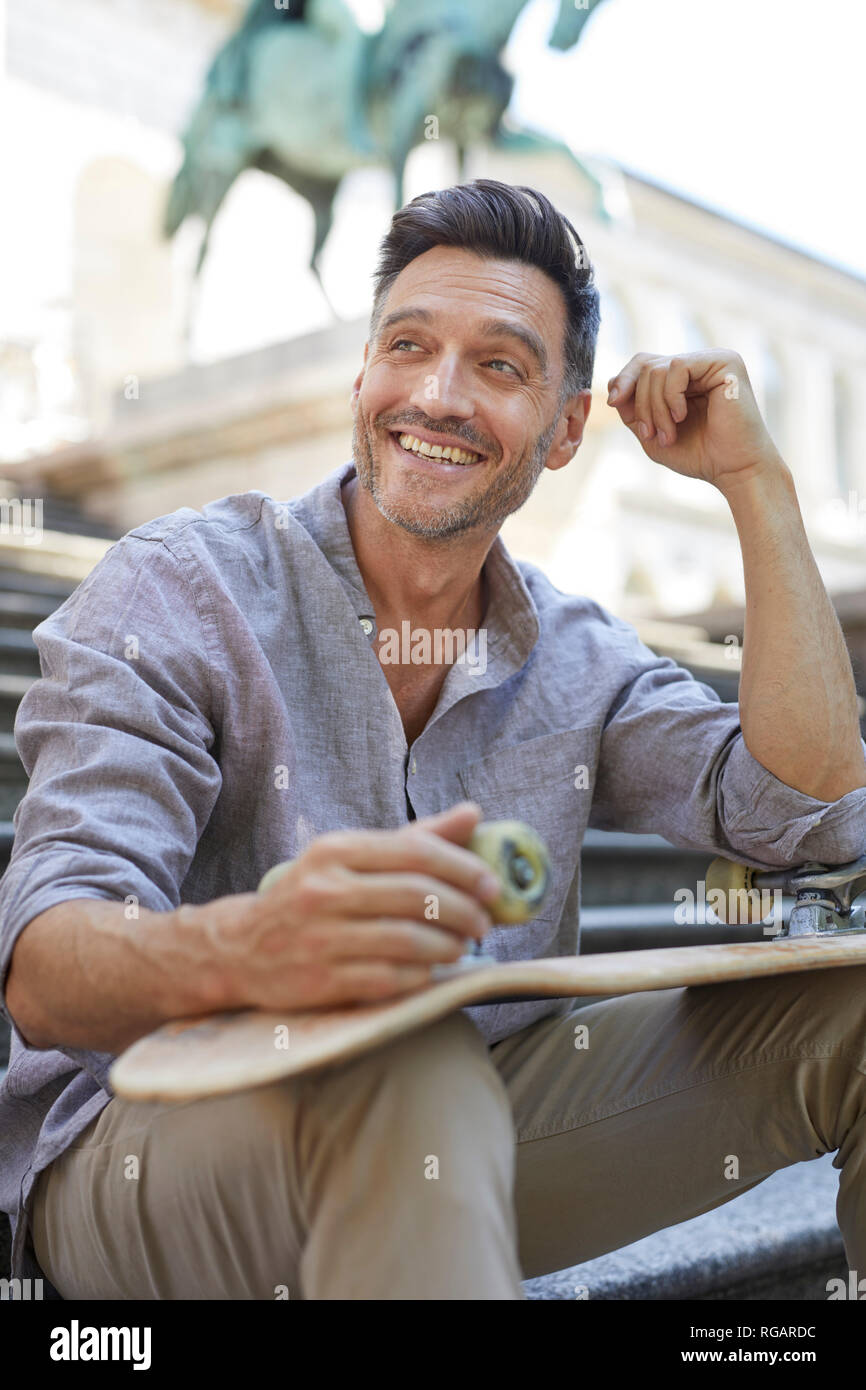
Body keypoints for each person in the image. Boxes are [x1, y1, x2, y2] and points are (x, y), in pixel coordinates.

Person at [2, 179, 865, 1300]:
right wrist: (248, 949)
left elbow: (808, 810)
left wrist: (756, 485)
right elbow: (45, 966)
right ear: (364, 378)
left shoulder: (577, 657)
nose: (438, 395)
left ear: (563, 431)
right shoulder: (179, 589)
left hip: (460, 1125)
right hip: (146, 1144)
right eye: (407, 346)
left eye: (500, 366)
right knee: (408, 1066)